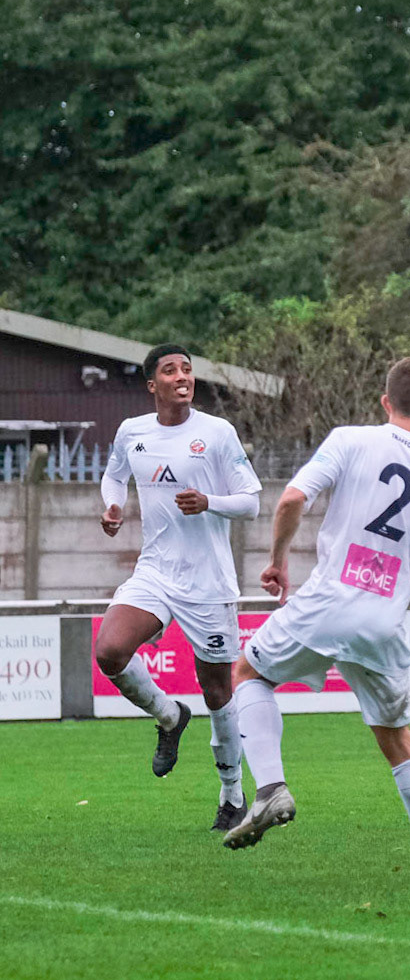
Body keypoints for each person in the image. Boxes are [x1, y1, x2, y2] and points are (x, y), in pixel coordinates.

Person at [222, 357, 410, 883]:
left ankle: (270, 789)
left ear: (385, 402)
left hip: (327, 602)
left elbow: (293, 497)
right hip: (383, 622)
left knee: (249, 673)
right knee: (396, 735)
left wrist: (277, 559)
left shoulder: (350, 439)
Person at [96, 343, 261, 830]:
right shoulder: (133, 432)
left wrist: (210, 500)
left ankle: (232, 795)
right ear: (153, 385)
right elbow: (113, 477)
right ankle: (169, 716)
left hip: (208, 581)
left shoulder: (217, 432)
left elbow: (251, 501)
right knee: (109, 651)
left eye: (187, 369)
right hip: (155, 572)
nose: (182, 376)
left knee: (217, 692)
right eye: (170, 371)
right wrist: (113, 506)